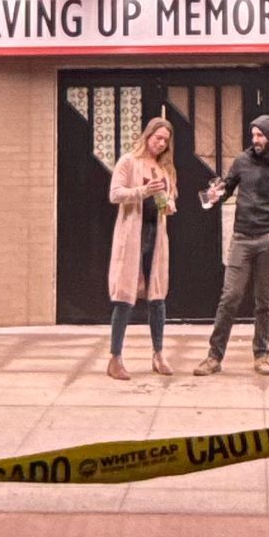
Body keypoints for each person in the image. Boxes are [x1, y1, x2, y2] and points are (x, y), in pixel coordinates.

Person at [196, 111, 269, 375]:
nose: (255, 139)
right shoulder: (242, 161)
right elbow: (227, 188)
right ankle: (213, 357)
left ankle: (261, 355)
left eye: (260, 135)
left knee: (265, 301)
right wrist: (214, 194)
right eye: (253, 134)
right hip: (242, 238)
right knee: (230, 297)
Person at [107, 114, 177, 380]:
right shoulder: (128, 161)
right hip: (131, 236)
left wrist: (166, 203)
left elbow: (166, 205)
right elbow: (115, 194)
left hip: (155, 236)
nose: (160, 144)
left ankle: (158, 354)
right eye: (157, 138)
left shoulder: (164, 169)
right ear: (147, 135)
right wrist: (143, 191)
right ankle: (115, 358)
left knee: (157, 296)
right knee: (125, 296)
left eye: (165, 141)